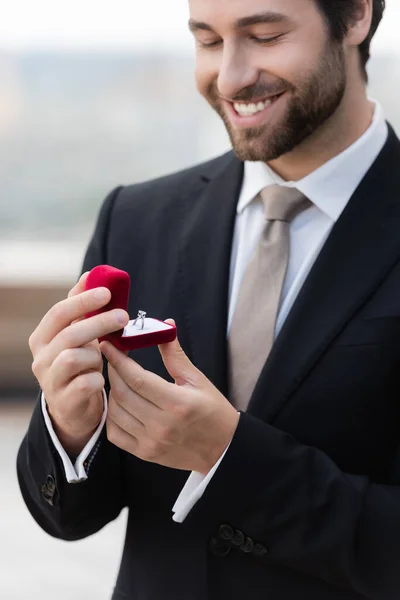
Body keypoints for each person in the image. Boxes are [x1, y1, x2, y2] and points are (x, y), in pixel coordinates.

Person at [16, 0, 400, 598]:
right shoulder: (136, 217)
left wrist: (228, 456)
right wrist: (68, 427)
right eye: (208, 42)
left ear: (356, 17)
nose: (230, 77)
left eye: (265, 36)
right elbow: (68, 517)